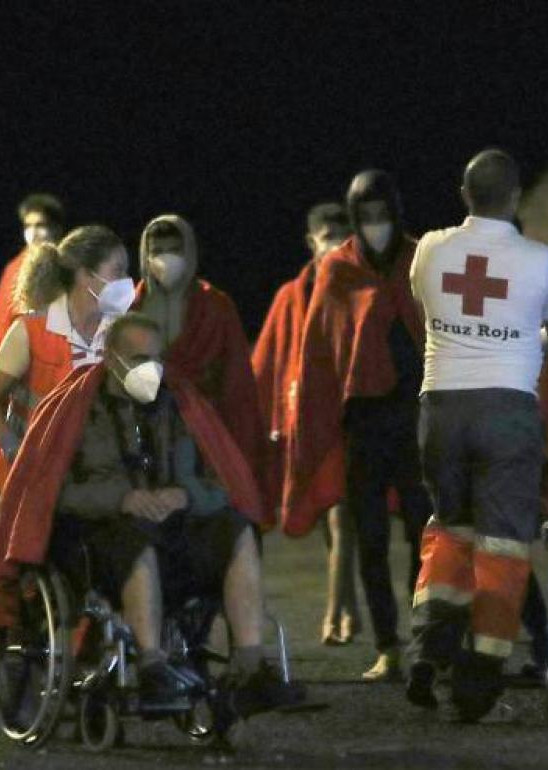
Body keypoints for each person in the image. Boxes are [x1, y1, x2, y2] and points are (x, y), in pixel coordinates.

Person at [0, 314, 303, 716]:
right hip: (98, 543)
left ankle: (250, 668)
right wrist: (122, 498)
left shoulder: (181, 407)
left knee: (237, 531)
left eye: (156, 358)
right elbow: (50, 490)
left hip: (173, 536)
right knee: (135, 538)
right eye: (138, 358)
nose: (150, 368)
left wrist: (185, 495)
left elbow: (220, 482)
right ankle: (153, 665)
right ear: (111, 359)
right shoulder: (75, 409)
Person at [406, 149, 548, 721]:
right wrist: (523, 344)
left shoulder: (430, 249)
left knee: (450, 530)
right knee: (503, 546)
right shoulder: (539, 260)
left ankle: (428, 653)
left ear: (464, 192)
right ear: (516, 198)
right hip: (507, 409)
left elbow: (427, 307)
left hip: (441, 407)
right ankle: (478, 684)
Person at [286, 170, 433, 680]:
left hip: (417, 419)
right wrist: (315, 426)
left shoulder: (420, 260)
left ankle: (423, 641)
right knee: (370, 537)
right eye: (366, 218)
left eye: (383, 216)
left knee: (422, 532)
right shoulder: (339, 270)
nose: (376, 227)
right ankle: (388, 645)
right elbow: (320, 354)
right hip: (365, 425)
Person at [251, 203, 359, 644]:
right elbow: (269, 361)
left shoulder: (357, 288)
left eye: (341, 234)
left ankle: (336, 616)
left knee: (341, 517)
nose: (334, 242)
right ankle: (349, 607)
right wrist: (266, 419)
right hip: (303, 425)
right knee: (327, 521)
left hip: (346, 420)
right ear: (310, 241)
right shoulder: (290, 296)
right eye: (325, 235)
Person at [134, 215, 269, 526]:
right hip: (149, 445)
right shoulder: (132, 308)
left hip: (208, 443)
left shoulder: (216, 307)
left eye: (174, 250)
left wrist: (242, 455)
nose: (166, 259)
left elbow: (238, 388)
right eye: (157, 251)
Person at [0, 225, 131, 495]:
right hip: (30, 485)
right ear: (85, 275)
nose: (126, 280)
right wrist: (14, 449)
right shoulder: (31, 329)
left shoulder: (119, 333)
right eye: (117, 271)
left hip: (93, 486)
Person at [0, 194, 66, 478]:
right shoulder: (13, 271)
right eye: (28, 225)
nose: (35, 232)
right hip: (14, 404)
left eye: (42, 224)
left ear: (57, 229)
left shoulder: (69, 271)